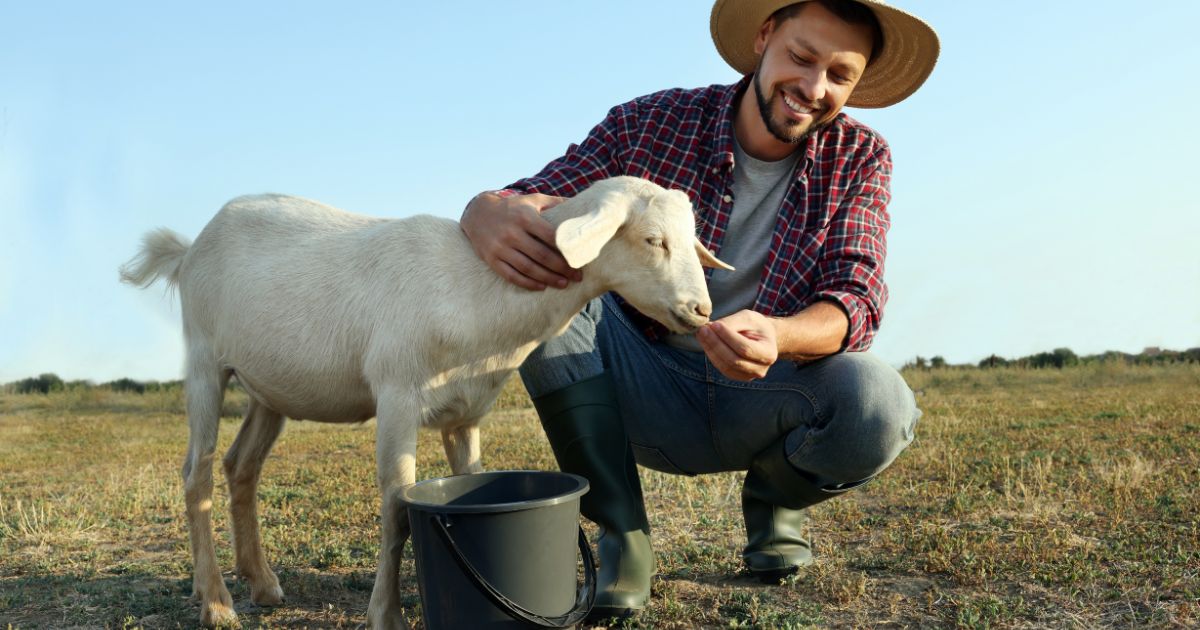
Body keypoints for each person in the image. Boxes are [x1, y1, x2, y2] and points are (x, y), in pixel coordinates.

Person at [460, 0, 939, 620]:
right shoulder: (650, 121)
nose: (814, 88)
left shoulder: (861, 156)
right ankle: (622, 535)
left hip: (766, 390)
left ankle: (773, 500)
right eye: (801, 57)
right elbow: (543, 201)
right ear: (766, 37)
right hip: (639, 385)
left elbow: (858, 294)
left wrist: (780, 335)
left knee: (879, 403)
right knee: (547, 277)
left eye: (840, 74)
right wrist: (484, 209)